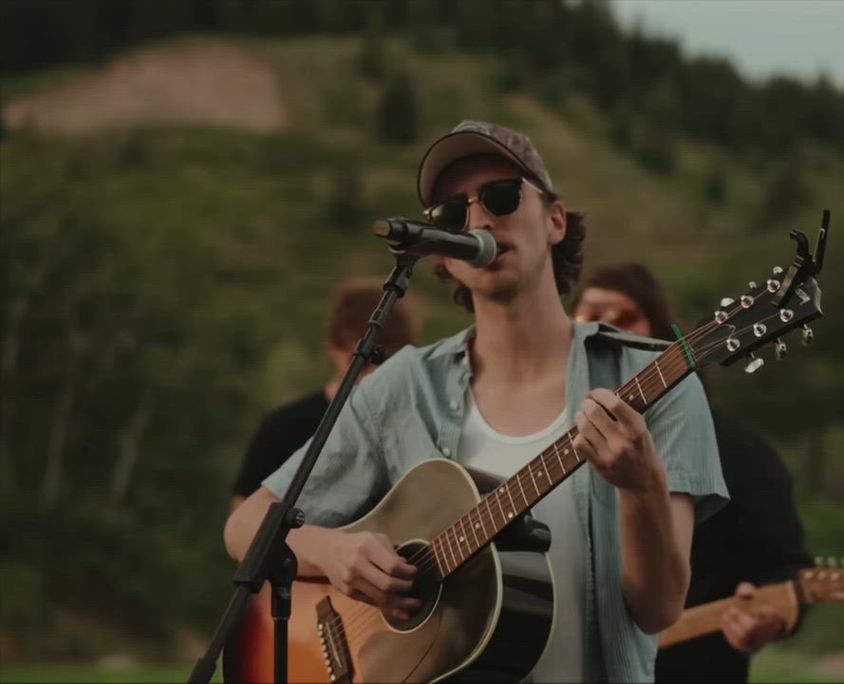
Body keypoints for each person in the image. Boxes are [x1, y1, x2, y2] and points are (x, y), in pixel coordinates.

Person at [224, 120, 727, 682]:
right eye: (451, 214)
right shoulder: (403, 386)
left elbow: (659, 610)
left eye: (503, 196)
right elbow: (245, 525)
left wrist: (641, 486)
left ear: (555, 221)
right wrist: (333, 553)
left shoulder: (655, 381)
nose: (480, 219)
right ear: (442, 254)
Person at [574, 263, 813, 683]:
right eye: (591, 315)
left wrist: (768, 618)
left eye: (625, 316)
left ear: (659, 334)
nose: (607, 327)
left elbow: (784, 569)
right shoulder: (544, 432)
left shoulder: (739, 450)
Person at [230, 278, 417, 508]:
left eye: (387, 359)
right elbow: (244, 516)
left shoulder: (414, 426)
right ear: (333, 347)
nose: (374, 371)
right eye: (365, 359)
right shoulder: (281, 427)